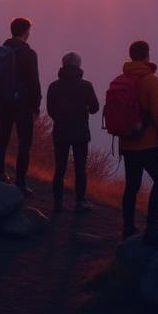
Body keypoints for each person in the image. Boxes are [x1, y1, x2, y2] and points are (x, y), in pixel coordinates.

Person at [118, 40, 158, 243]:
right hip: (147, 144)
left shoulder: (122, 77)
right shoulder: (150, 80)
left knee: (132, 186)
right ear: (147, 55)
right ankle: (151, 226)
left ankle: (128, 227)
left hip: (127, 143)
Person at [0, 17, 42, 196]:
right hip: (23, 105)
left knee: (3, 138)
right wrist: (36, 105)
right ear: (25, 32)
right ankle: (21, 182)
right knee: (24, 143)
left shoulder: (1, 50)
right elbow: (34, 82)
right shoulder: (29, 54)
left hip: (3, 102)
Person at [45, 51, 99, 214]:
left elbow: (50, 110)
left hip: (60, 131)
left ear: (63, 65)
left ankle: (58, 203)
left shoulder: (54, 86)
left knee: (59, 168)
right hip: (80, 132)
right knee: (80, 168)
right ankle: (80, 202)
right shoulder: (86, 86)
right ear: (79, 65)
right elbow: (95, 108)